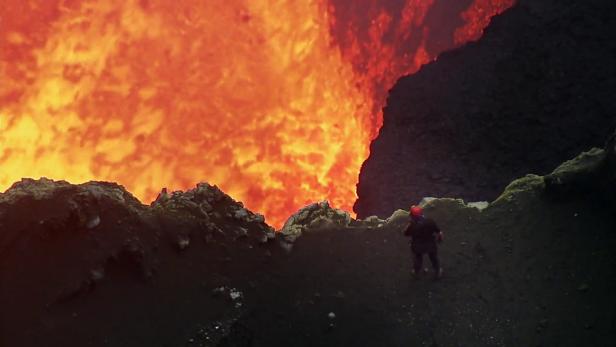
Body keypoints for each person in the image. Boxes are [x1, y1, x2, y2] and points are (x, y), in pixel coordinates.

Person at [404, 205, 443, 279]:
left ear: (412, 216)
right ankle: (438, 272)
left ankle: (416, 272)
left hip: (418, 246)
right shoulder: (430, 221)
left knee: (418, 259)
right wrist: (440, 239)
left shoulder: (412, 225)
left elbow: (405, 233)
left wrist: (409, 224)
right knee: (433, 258)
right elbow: (439, 232)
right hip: (430, 244)